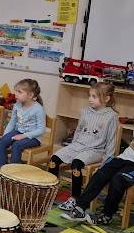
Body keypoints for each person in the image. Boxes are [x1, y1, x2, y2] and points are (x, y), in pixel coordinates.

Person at [50, 82, 118, 210]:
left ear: (106, 98)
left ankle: (74, 198)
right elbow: (79, 130)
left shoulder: (111, 116)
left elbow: (111, 140)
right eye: (89, 95)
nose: (90, 99)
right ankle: (50, 191)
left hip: (95, 150)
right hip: (78, 145)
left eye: (94, 96)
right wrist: (72, 147)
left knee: (76, 164)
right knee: (54, 159)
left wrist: (107, 161)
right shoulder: (85, 111)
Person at [61, 136, 134, 226]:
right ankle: (80, 207)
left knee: (118, 180)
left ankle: (107, 215)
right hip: (124, 158)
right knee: (101, 173)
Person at [0, 78, 45, 179]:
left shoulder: (38, 109)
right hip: (18, 132)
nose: (15, 94)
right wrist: (5, 136)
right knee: (2, 141)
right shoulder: (17, 105)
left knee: (16, 145)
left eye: (19, 92)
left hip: (33, 137)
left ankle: (14, 175)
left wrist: (23, 136)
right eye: (16, 91)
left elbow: (41, 130)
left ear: (30, 95)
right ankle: (2, 172)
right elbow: (12, 122)